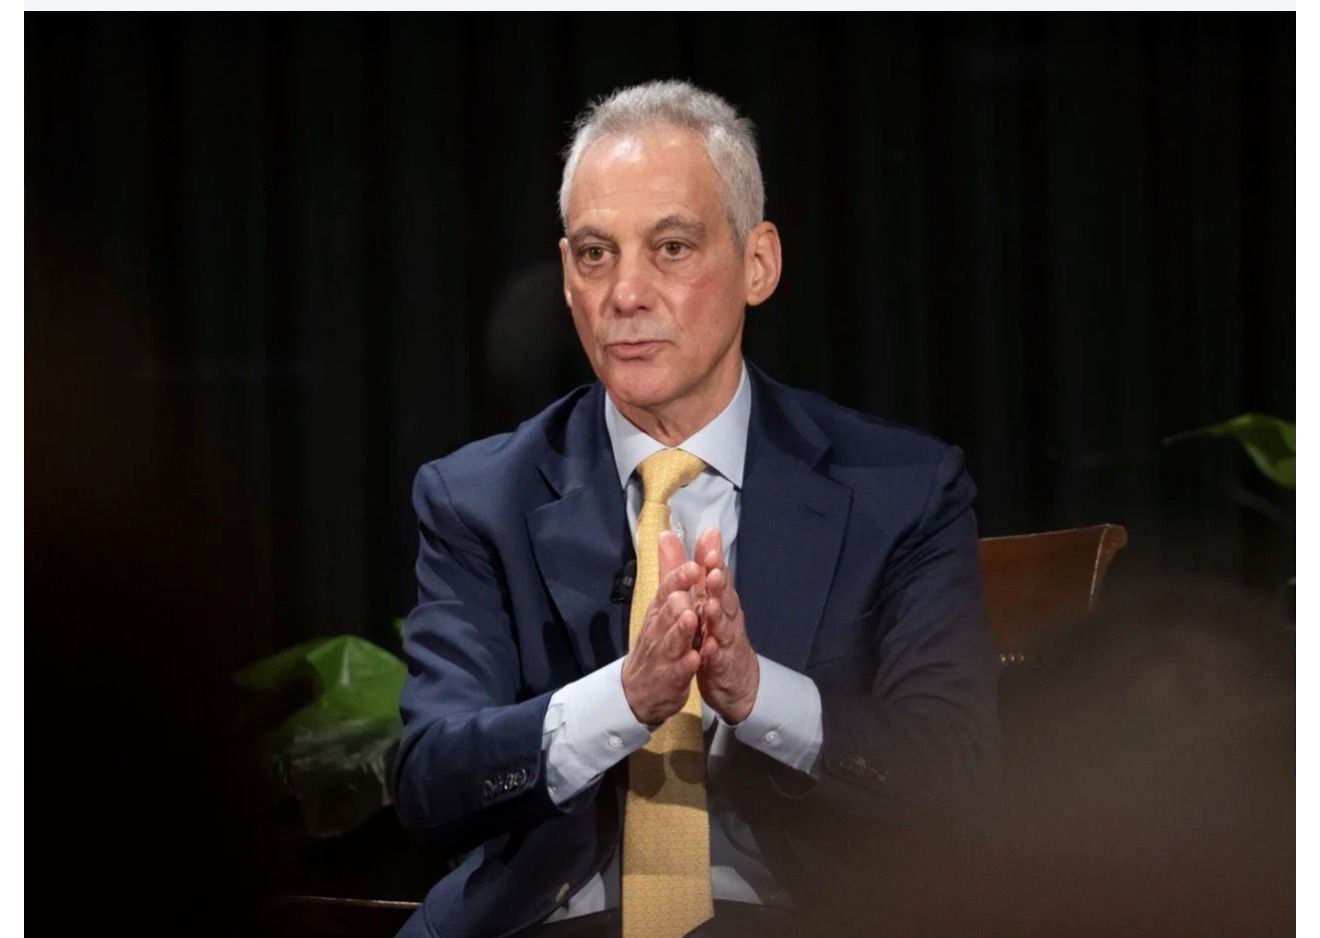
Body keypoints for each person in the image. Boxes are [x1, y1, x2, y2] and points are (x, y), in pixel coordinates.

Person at [391, 80, 999, 938]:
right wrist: (624, 699)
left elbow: (954, 777)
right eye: (595, 254)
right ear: (566, 276)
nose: (625, 293)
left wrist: (758, 696)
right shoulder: (479, 497)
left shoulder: (899, 490)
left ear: (759, 264)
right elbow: (430, 784)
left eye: (671, 247)